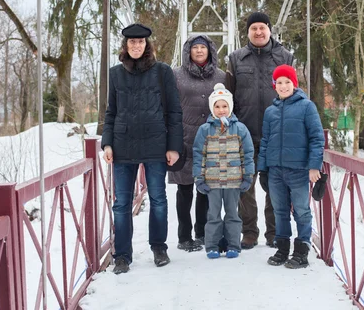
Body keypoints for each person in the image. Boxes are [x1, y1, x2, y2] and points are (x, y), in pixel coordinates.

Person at [102, 23, 183, 274]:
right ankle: (122, 256)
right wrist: (107, 142)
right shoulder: (115, 74)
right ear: (125, 45)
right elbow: (111, 112)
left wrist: (173, 147)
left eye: (140, 42)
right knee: (121, 203)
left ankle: (159, 247)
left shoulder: (162, 72)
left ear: (147, 45)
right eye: (131, 42)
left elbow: (173, 112)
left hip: (155, 145)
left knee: (158, 199)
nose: (136, 46)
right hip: (123, 145)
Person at [225, 11, 294, 249]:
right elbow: (228, 97)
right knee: (245, 186)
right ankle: (249, 232)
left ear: (269, 29)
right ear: (247, 32)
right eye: (253, 28)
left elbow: (294, 95)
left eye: (262, 27)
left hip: (277, 134)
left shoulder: (285, 57)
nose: (258, 32)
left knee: (275, 185)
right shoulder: (236, 59)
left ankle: (274, 232)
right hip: (244, 134)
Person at [258, 65, 325, 269]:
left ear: (294, 84)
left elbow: (316, 138)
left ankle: (302, 248)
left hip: (298, 170)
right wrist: (263, 169)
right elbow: (266, 140)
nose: (284, 86)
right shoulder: (270, 111)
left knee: (302, 211)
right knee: (279, 210)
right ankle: (282, 247)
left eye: (288, 82)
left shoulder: (307, 107)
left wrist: (314, 166)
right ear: (274, 85)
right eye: (279, 82)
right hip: (276, 170)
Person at [167, 35, 226, 252]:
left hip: (211, 141)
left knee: (205, 190)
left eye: (203, 47)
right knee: (184, 191)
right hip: (183, 139)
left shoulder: (221, 76)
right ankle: (184, 236)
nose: (199, 51)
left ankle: (201, 233)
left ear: (210, 50)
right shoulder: (176, 75)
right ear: (188, 51)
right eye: (195, 47)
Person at [192, 83, 254, 259]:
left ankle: (233, 244)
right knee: (213, 214)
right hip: (212, 181)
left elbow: (247, 153)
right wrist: (199, 177)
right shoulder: (205, 130)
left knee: (233, 214)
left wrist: (248, 175)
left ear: (230, 107)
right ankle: (212, 245)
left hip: (234, 181)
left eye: (224, 106)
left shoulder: (240, 129)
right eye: (217, 107)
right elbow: (198, 154)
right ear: (212, 108)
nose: (221, 110)